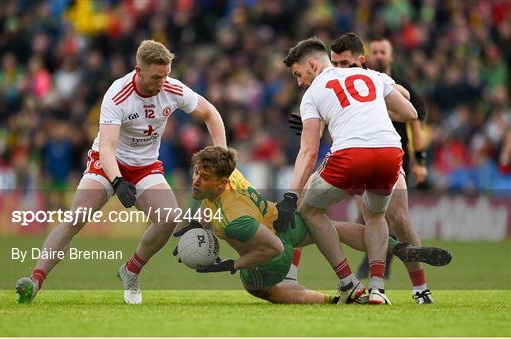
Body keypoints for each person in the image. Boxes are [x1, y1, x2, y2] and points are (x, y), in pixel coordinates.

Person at [15, 40, 227, 304]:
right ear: (138, 70)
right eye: (156, 76)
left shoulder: (173, 88)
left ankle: (131, 271)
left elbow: (211, 113)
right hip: (107, 164)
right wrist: (116, 181)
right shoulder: (118, 94)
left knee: (169, 219)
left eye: (166, 75)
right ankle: (35, 280)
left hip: (146, 167)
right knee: (75, 219)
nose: (163, 82)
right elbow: (106, 146)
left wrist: (222, 152)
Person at [173, 146, 450, 304]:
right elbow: (211, 198)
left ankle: (332, 300)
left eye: (203, 176)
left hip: (272, 251)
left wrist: (232, 265)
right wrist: (195, 222)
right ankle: (397, 248)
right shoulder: (228, 177)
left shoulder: (236, 221)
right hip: (281, 219)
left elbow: (273, 248)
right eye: (196, 172)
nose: (196, 180)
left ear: (222, 183)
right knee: (329, 228)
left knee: (256, 288)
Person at [278, 37, 418, 305]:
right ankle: (377, 288)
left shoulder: (313, 94)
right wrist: (370, 110)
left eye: (298, 74)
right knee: (375, 215)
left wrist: (290, 196)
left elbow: (308, 152)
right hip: (390, 152)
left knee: (308, 210)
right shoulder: (372, 76)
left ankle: (348, 283)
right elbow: (410, 112)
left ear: (312, 64)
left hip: (351, 154)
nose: (299, 82)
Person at [327, 33, 434, 304]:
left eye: (382, 52)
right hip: (354, 159)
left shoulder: (384, 83)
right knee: (370, 219)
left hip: (391, 158)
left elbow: (412, 116)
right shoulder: (335, 84)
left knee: (396, 219)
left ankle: (417, 287)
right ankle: (376, 274)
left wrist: (420, 160)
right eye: (336, 64)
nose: (379, 56)